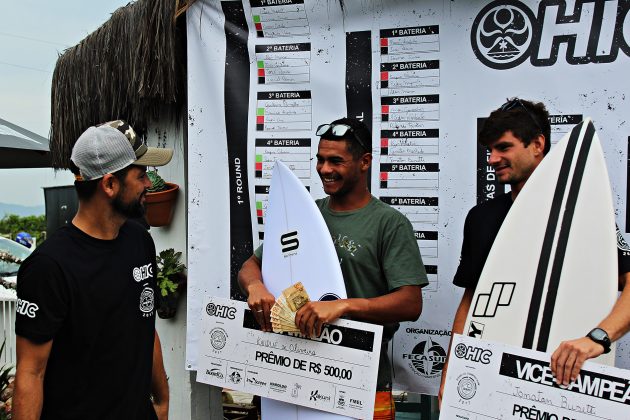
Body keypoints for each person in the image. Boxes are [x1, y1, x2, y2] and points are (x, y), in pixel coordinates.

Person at [438, 98, 630, 404]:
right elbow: (473, 298)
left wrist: (598, 338)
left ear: (537, 144)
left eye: (503, 147)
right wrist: (452, 370)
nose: (492, 159)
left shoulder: (584, 214)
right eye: (490, 150)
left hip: (568, 378)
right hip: (495, 380)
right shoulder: (481, 217)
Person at [238, 117, 428, 420]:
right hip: (293, 374)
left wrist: (342, 306)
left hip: (362, 381)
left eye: (336, 161)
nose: (324, 169)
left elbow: (410, 302)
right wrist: (255, 286)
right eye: (321, 159)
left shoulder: (388, 223)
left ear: (364, 162)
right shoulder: (306, 215)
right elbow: (251, 265)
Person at [14, 120, 173, 419]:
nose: (149, 185)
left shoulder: (139, 240)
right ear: (110, 185)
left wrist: (162, 399)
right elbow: (30, 374)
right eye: (141, 176)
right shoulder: (49, 267)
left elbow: (145, 324)